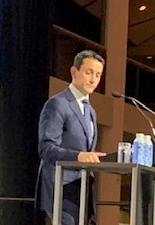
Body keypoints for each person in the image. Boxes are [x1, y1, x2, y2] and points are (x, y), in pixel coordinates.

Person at [36, 50, 107, 225]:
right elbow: (46, 149)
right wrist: (78, 156)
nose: (93, 80)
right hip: (61, 186)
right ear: (74, 72)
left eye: (98, 75)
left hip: (82, 189)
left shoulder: (91, 111)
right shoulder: (57, 104)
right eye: (88, 72)